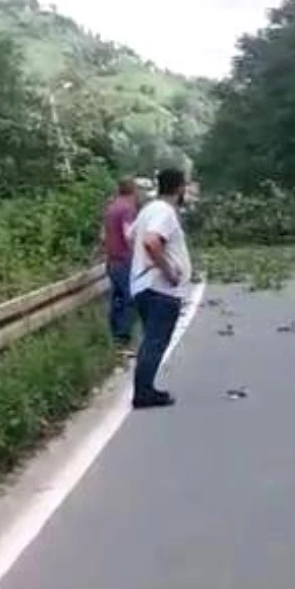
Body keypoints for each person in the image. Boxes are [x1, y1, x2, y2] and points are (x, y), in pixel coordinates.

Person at [128, 168, 192, 409]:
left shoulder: (148, 210)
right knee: (155, 341)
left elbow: (130, 236)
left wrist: (140, 263)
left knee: (151, 340)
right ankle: (143, 393)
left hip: (143, 285)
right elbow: (151, 242)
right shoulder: (165, 212)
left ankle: (146, 388)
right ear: (179, 188)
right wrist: (169, 271)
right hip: (160, 288)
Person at [102, 177, 138, 351]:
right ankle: (123, 339)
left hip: (112, 260)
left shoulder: (111, 207)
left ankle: (113, 335)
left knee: (116, 298)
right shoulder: (127, 209)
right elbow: (129, 235)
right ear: (133, 190)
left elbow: (103, 236)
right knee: (129, 299)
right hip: (124, 259)